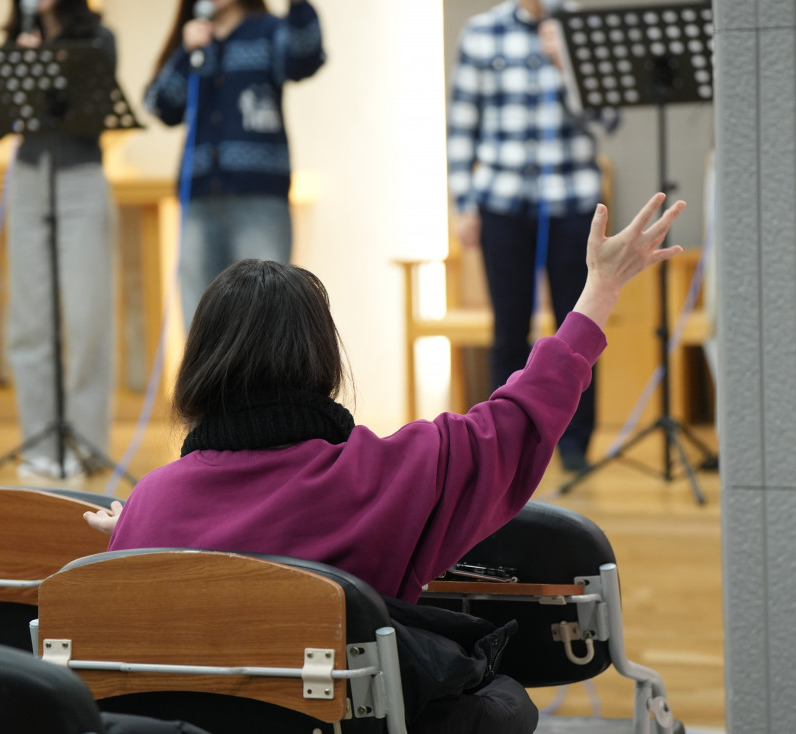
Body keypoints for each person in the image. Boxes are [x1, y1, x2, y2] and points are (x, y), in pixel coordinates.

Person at [85, 194, 682, 733]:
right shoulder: (398, 471)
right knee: (502, 700)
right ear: (321, 359)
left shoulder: (152, 502)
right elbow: (520, 418)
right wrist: (601, 287)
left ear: (200, 364)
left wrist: (135, 529)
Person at [447, 0, 621, 473]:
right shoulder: (481, 31)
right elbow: (462, 125)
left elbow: (610, 119)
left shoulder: (580, 25)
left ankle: (574, 444)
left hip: (573, 203)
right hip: (501, 202)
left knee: (579, 326)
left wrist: (570, 66)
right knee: (508, 328)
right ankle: (502, 444)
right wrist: (463, 204)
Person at [144, 0, 325, 327]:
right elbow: (160, 104)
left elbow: (306, 55)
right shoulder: (195, 41)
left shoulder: (268, 31)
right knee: (201, 316)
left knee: (266, 314)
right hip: (199, 201)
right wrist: (186, 54)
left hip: (259, 199)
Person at [2, 0, 117, 480]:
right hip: (28, 179)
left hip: (81, 180)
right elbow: (0, 122)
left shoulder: (98, 38)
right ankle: (40, 444)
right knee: (28, 323)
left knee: (87, 319)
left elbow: (93, 118)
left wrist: (53, 71)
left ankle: (85, 444)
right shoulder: (17, 41)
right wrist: (21, 66)